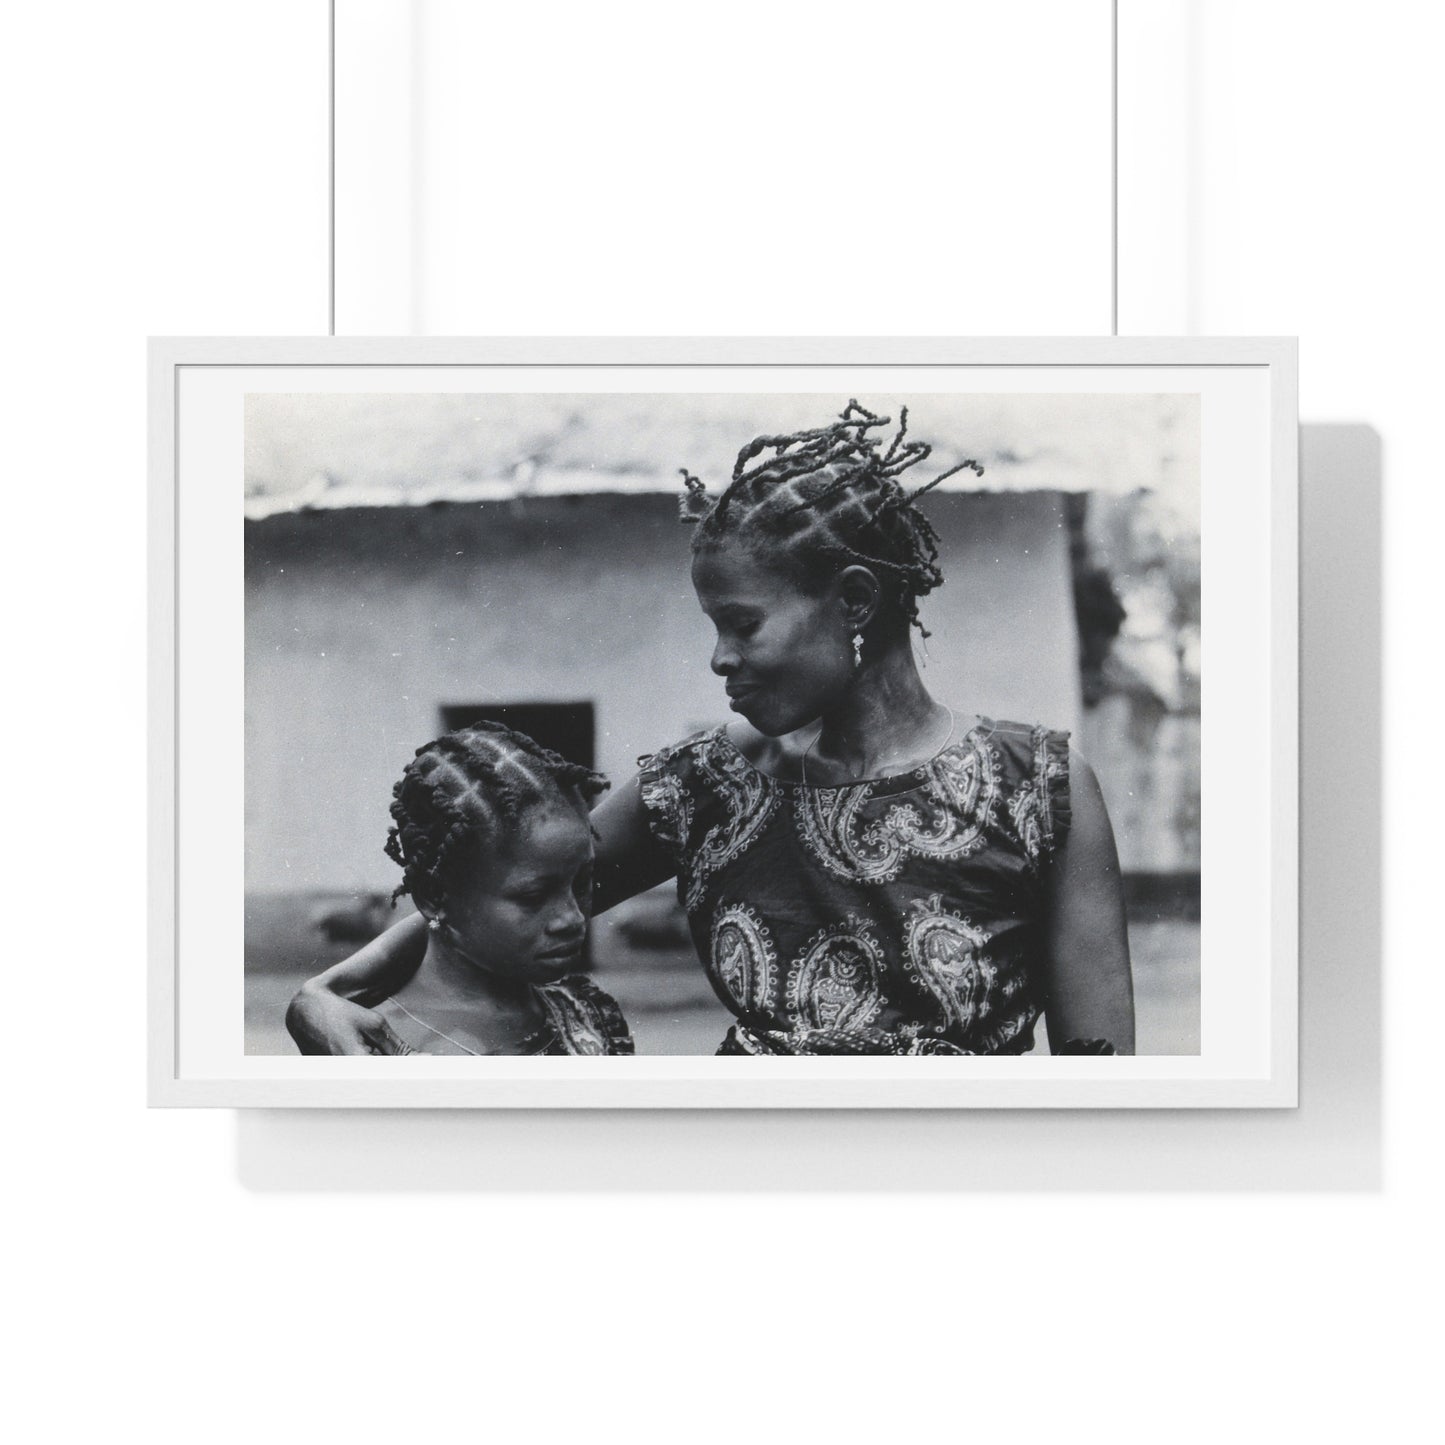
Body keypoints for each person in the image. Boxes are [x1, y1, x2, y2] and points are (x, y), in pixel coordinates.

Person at [288, 401, 1134, 1056]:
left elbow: (1099, 1079)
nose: (719, 659)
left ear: (853, 601)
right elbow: (488, 888)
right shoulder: (703, 787)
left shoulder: (1038, 792)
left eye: (742, 623)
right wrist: (323, 993)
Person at [287, 721, 632, 1056]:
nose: (572, 918)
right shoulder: (366, 1042)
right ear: (434, 897)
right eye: (533, 897)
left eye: (583, 882)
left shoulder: (587, 1013)